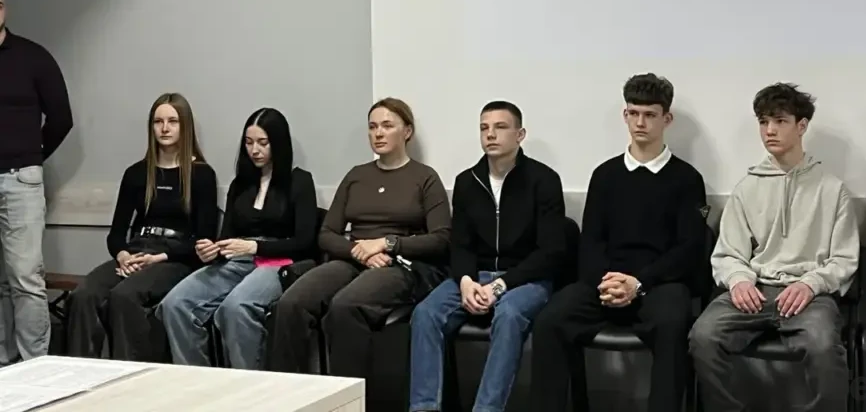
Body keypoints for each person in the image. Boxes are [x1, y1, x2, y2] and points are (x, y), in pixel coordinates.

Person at [530, 73, 707, 412]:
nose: (640, 122)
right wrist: (608, 282)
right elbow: (591, 240)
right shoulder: (605, 175)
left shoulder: (687, 179)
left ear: (666, 119)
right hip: (606, 281)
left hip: (659, 284)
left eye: (650, 115)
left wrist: (638, 283)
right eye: (633, 113)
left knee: (673, 324)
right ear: (625, 115)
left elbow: (688, 248)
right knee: (551, 320)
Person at [689, 82, 859, 412]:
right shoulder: (746, 188)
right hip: (756, 289)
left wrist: (811, 283)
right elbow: (728, 252)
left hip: (809, 295)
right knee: (703, 336)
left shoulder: (832, 189)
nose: (769, 130)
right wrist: (739, 280)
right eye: (764, 122)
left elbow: (844, 259)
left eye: (780, 121)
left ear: (802, 126)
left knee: (823, 346)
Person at [266, 98, 450, 377]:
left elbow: (441, 238)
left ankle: (352, 396)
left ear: (407, 131)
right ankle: (290, 391)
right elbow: (326, 234)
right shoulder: (357, 176)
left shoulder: (424, 177)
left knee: (345, 306)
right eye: (372, 127)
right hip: (353, 258)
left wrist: (387, 243)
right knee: (292, 303)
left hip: (399, 264)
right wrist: (358, 251)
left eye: (387, 126)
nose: (378, 133)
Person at [409, 101, 566, 412]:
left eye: (500, 127)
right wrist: (466, 282)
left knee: (509, 316)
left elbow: (551, 251)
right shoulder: (467, 181)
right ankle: (424, 407)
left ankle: (487, 409)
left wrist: (501, 286)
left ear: (520, 135)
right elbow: (460, 245)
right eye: (484, 128)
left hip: (526, 279)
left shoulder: (544, 180)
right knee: (426, 313)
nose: (490, 134)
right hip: (475, 276)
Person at [157, 107, 317, 369]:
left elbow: (304, 243)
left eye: (263, 143)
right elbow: (227, 237)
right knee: (175, 304)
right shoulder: (240, 184)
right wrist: (212, 250)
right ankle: (197, 381)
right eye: (249, 142)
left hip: (280, 263)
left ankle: (250, 384)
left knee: (235, 308)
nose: (255, 150)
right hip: (237, 260)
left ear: (278, 143)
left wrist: (255, 246)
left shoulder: (299, 182)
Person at [65, 93, 219, 361]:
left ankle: (131, 374)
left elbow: (204, 239)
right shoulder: (136, 173)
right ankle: (80, 372)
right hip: (138, 250)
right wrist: (123, 255)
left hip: (175, 257)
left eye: (172, 121)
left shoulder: (201, 174)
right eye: (158, 122)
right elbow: (116, 234)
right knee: (83, 295)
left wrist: (159, 258)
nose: (165, 128)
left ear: (185, 126)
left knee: (125, 297)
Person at [0, 0, 73, 364]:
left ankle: (35, 366)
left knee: (25, 277)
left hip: (20, 179)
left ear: (5, 9)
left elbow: (61, 117)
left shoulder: (33, 57)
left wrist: (34, 156)